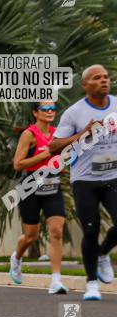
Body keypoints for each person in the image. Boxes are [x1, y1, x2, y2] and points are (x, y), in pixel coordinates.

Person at [49, 65, 117, 301]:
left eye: (105, 77)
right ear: (85, 85)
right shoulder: (74, 113)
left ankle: (102, 254)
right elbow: (54, 147)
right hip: (85, 180)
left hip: (113, 177)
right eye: (97, 78)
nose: (103, 80)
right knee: (91, 229)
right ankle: (92, 284)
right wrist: (82, 135)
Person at [9, 101, 67, 294]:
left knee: (57, 231)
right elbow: (18, 164)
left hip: (53, 186)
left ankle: (56, 280)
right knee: (30, 236)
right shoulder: (29, 134)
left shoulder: (57, 133)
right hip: (30, 187)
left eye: (53, 109)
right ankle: (16, 258)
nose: (50, 112)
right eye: (45, 109)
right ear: (35, 112)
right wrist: (45, 155)